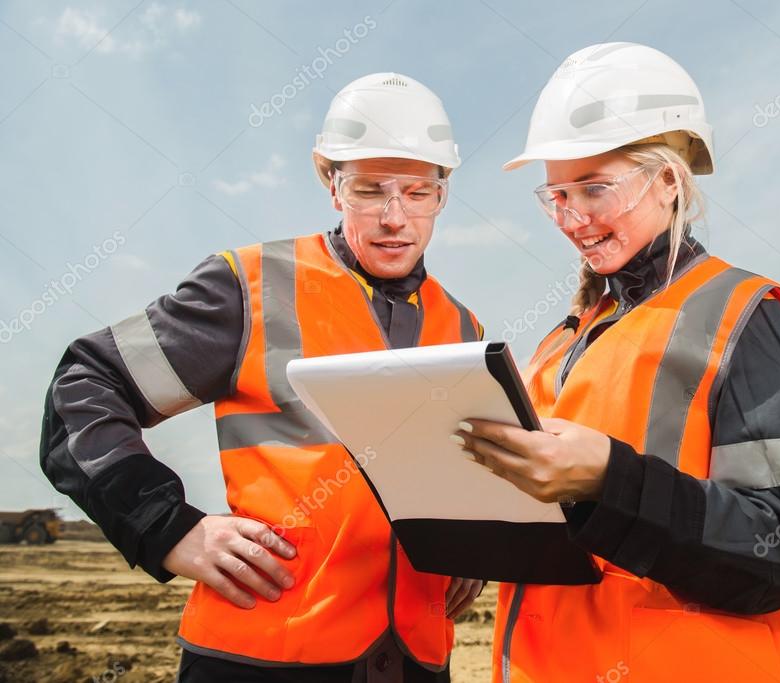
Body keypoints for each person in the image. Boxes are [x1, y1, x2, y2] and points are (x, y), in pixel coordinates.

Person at [40, 72, 484, 683]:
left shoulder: (461, 325)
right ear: (333, 186)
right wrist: (167, 526)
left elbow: (466, 471)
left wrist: (478, 547)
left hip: (415, 661)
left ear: (443, 194)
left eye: (417, 192)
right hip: (262, 656)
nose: (393, 216)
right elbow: (84, 387)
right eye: (368, 189)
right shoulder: (251, 287)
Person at [453, 43, 780, 682]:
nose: (572, 218)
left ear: (668, 182)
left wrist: (609, 480)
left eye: (595, 189)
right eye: (556, 194)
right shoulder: (560, 344)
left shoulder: (744, 314)